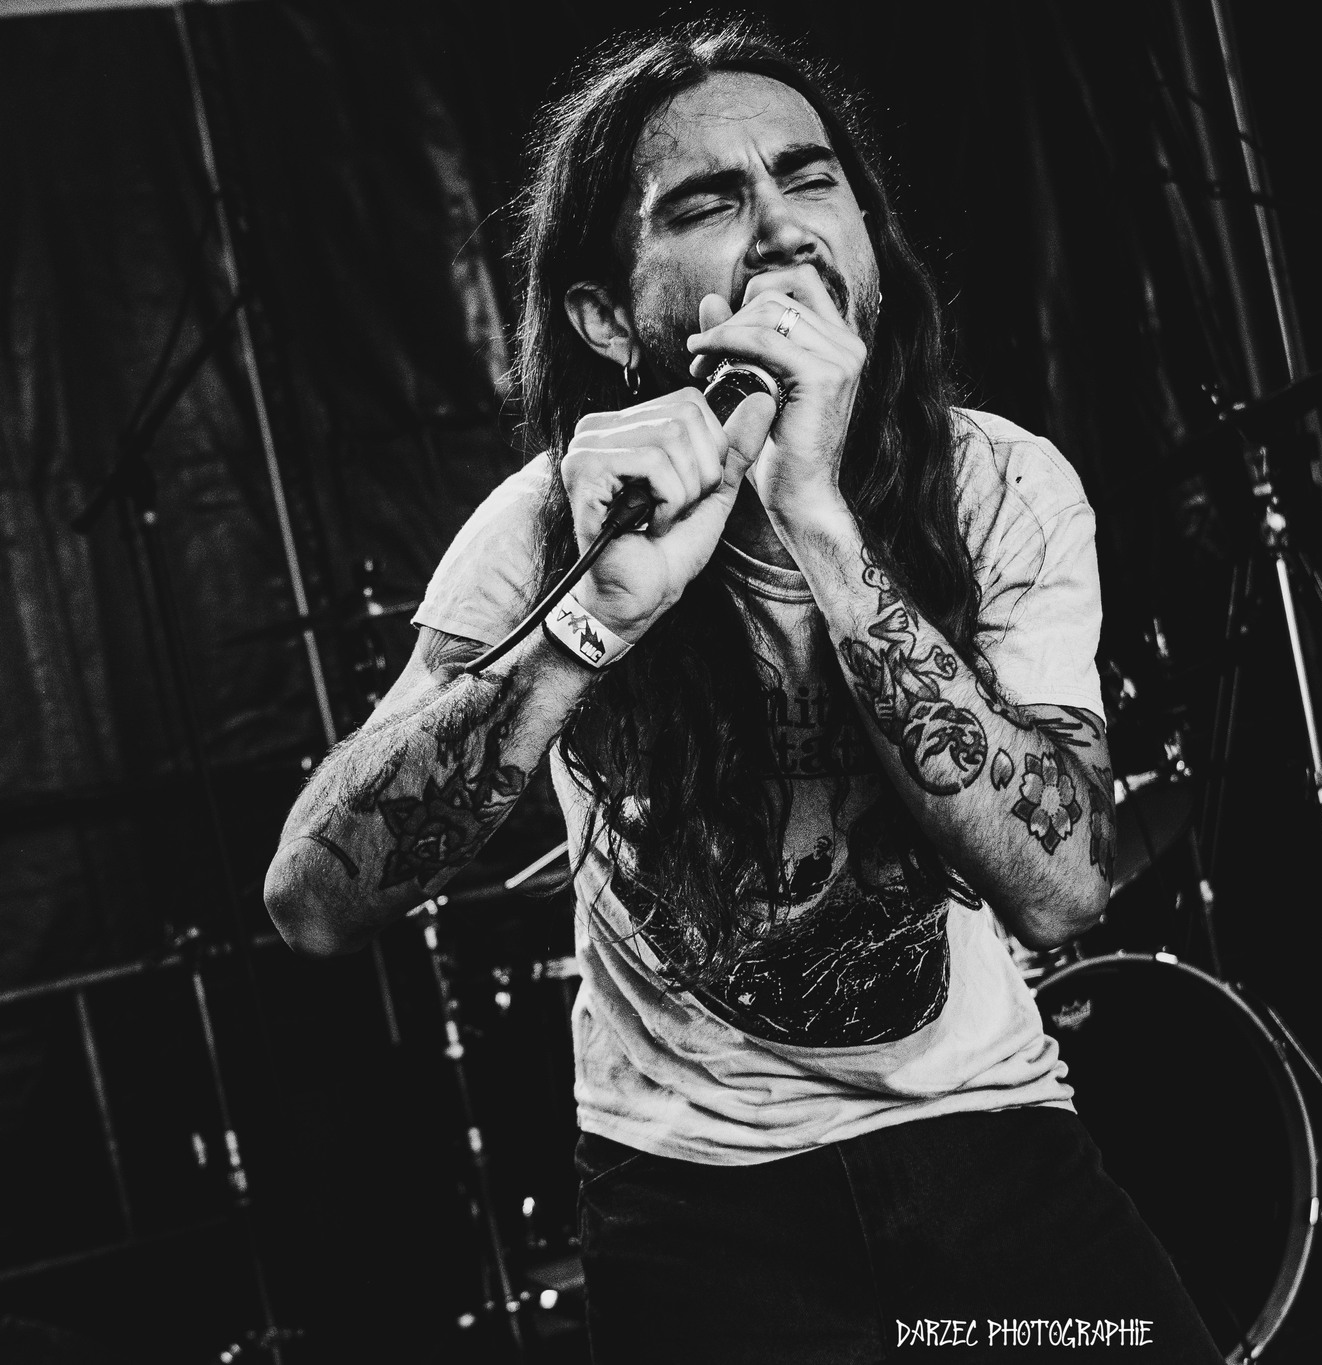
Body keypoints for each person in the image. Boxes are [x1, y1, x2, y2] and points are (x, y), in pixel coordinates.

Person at [263, 20, 1224, 1363]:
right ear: (608, 317)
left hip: (985, 1140)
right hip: (694, 1200)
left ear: (868, 244)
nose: (781, 228)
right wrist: (590, 623)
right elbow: (313, 901)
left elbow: (1064, 887)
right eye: (709, 204)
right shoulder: (547, 525)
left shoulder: (1002, 485)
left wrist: (820, 521)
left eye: (811, 178)